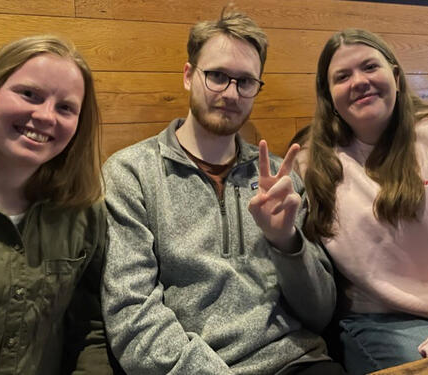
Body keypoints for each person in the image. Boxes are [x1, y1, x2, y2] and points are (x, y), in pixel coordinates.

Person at [102, 10, 345, 375]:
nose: (231, 94)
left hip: (297, 362)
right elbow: (132, 316)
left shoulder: (281, 181)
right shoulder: (131, 173)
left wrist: (287, 242)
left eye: (245, 82)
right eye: (217, 76)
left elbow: (321, 312)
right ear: (188, 76)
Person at [303, 28, 428, 374]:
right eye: (342, 76)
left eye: (370, 67)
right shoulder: (311, 164)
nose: (359, 81)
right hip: (382, 323)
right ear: (330, 97)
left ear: (396, 76)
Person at [0, 35, 111, 374]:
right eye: (29, 94)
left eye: (65, 107)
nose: (45, 116)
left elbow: (90, 327)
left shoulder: (84, 212)